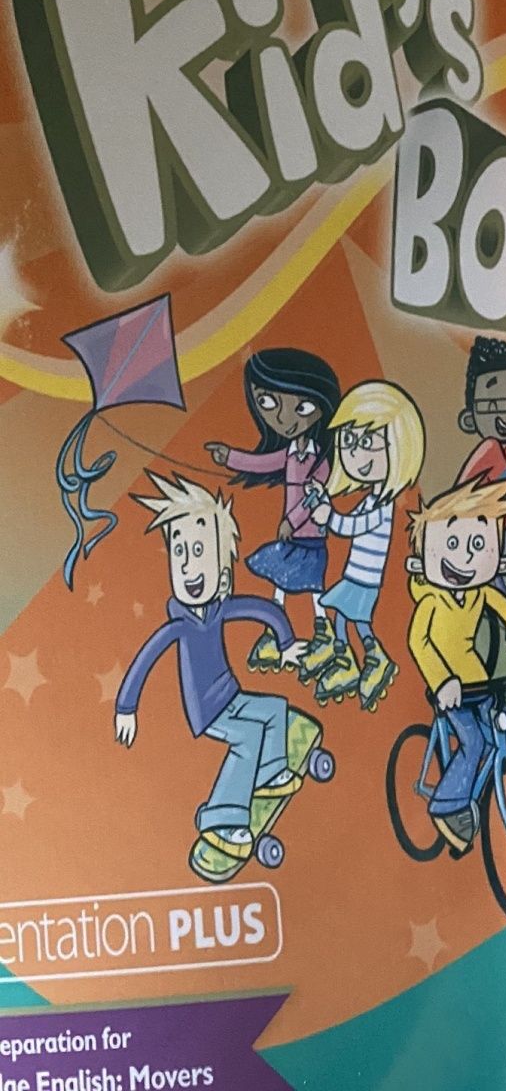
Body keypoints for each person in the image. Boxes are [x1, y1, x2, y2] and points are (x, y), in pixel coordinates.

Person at [114, 473, 306, 860]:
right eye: (180, 552)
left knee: (275, 709)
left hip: (231, 696)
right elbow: (146, 657)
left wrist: (286, 643)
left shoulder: (219, 610)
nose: (188, 565)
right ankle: (220, 817)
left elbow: (262, 610)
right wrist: (126, 707)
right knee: (247, 738)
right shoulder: (180, 626)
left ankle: (269, 772)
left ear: (222, 563)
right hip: (207, 711)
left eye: (199, 550)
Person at [405, 478, 506, 853]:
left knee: (501, 735)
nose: (465, 558)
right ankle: (446, 805)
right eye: (452, 545)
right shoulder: (431, 600)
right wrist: (442, 681)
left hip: (479, 683)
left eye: (478, 545)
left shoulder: (481, 593)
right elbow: (419, 642)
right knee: (473, 741)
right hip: (448, 690)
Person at [205, 348, 341, 671]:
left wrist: (291, 522)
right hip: (292, 534)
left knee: (313, 586)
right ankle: (273, 631)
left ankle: (323, 632)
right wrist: (229, 457)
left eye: (302, 407)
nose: (284, 419)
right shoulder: (291, 452)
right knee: (281, 580)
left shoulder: (321, 460)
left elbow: (313, 500)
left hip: (310, 535)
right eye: (267, 403)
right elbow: (263, 462)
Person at [301, 380, 425, 710]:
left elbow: (352, 526)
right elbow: (349, 519)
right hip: (356, 575)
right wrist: (324, 501)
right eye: (349, 442)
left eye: (368, 442)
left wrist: (330, 516)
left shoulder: (382, 506)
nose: (355, 453)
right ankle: (353, 661)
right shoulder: (370, 499)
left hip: (365, 579)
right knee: (346, 619)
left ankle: (373, 659)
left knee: (352, 619)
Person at [456, 337, 506, 620]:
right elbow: (466, 496)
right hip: (483, 533)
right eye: (494, 405)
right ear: (470, 418)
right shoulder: (489, 451)